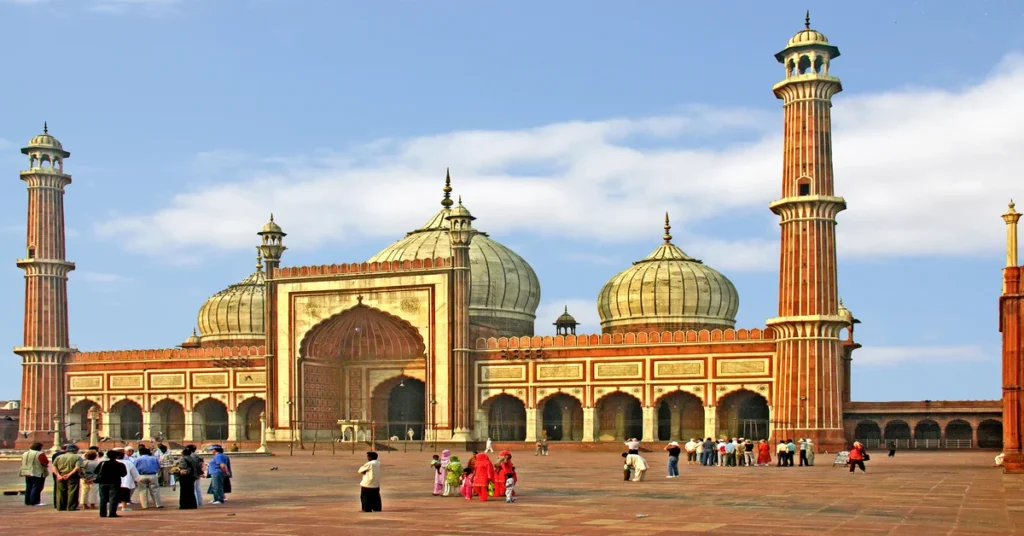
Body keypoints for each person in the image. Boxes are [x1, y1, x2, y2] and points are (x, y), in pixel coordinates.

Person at [96, 450, 127, 518]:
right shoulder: (120, 464)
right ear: (116, 456)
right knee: (113, 498)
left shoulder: (102, 463)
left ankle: (102, 513)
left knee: (103, 498)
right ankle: (112, 513)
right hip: (114, 482)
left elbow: (96, 471)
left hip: (103, 482)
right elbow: (123, 474)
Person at [53, 444, 84, 511]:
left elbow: (54, 466)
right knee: (72, 491)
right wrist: (69, 474)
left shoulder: (59, 457)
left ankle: (61, 506)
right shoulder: (77, 457)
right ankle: (71, 507)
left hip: (61, 474)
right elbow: (77, 467)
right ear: (74, 450)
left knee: (61, 491)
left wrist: (58, 475)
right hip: (72, 475)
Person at [20, 442, 49, 507]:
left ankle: (27, 501)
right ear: (39, 448)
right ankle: (35, 501)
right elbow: (45, 462)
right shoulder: (40, 454)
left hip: (26, 471)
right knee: (37, 487)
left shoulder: (25, 453)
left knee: (28, 487)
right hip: (37, 472)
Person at [116, 447, 140, 512]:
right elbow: (134, 472)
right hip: (125, 481)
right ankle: (124, 507)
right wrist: (137, 479)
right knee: (124, 494)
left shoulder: (112, 462)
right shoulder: (128, 462)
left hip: (114, 481)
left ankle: (114, 506)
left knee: (114, 494)